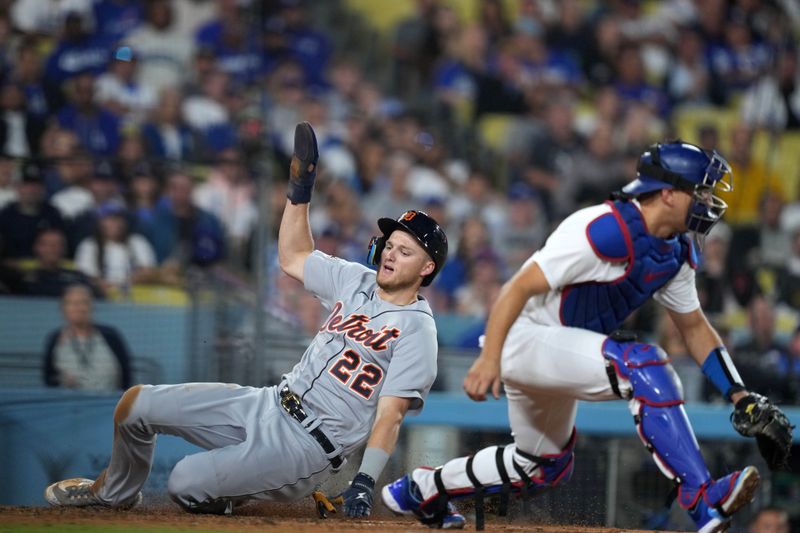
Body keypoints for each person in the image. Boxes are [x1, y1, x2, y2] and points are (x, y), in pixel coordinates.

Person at [43, 122, 463, 526]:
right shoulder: (356, 279)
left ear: (427, 268)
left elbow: (390, 415)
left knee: (184, 483)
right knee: (136, 405)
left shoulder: (418, 329)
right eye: (390, 244)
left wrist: (365, 480)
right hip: (269, 402)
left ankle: (245, 497)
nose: (390, 254)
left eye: (405, 251)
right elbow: (293, 256)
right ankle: (113, 494)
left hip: (309, 447)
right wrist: (300, 192)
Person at [382, 140, 793, 532]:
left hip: (559, 350)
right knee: (643, 362)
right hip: (523, 338)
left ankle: (420, 489)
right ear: (667, 194)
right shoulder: (602, 228)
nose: (707, 202)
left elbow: (694, 328)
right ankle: (702, 499)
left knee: (541, 464)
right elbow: (519, 286)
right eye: (698, 191)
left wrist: (740, 395)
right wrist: (490, 357)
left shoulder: (674, 251)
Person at [43, 284, 133, 392]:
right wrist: (60, 381)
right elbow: (48, 378)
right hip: (70, 403)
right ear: (63, 309)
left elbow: (126, 372)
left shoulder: (111, 336)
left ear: (92, 307)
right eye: (72, 303)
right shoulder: (55, 339)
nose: (79, 308)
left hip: (109, 402)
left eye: (84, 302)